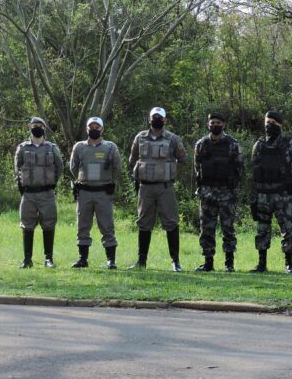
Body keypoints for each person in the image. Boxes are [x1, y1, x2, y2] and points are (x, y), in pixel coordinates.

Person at [128, 107, 187, 271]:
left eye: (160, 117)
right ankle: (141, 261)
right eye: (154, 117)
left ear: (165, 120)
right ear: (149, 119)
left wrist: (172, 175)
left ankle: (175, 262)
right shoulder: (140, 137)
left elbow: (183, 160)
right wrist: (139, 175)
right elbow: (132, 159)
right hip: (145, 188)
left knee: (171, 222)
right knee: (144, 223)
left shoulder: (173, 138)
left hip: (165, 188)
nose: (157, 120)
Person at [250, 110, 292, 273]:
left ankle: (288, 264)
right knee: (262, 230)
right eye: (267, 122)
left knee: (287, 229)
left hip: (282, 194)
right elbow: (253, 170)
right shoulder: (259, 145)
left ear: (280, 125)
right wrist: (254, 196)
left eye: (272, 123)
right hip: (263, 194)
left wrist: (290, 178)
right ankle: (261, 264)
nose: (269, 126)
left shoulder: (288, 143)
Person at [193, 112, 244, 272]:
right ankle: (208, 262)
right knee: (206, 228)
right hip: (207, 193)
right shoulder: (201, 144)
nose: (215, 125)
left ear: (224, 124)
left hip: (227, 193)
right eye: (212, 122)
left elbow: (239, 168)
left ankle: (229, 263)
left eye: (218, 122)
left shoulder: (232, 144)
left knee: (228, 228)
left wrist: (233, 187)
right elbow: (196, 168)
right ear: (208, 124)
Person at [69, 116, 122, 269]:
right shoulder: (79, 147)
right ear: (87, 129)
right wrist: (83, 179)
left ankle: (111, 260)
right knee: (82, 226)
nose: (94, 129)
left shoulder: (110, 147)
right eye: (91, 127)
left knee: (107, 225)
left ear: (102, 129)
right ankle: (82, 259)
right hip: (84, 191)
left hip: (103, 192)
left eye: (97, 127)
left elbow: (117, 168)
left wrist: (111, 182)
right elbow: (73, 167)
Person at [14, 117, 63, 269]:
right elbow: (17, 169)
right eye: (34, 126)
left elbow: (59, 168)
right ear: (30, 128)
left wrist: (52, 183)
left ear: (44, 129)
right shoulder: (22, 148)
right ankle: (27, 260)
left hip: (47, 193)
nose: (37, 128)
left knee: (48, 224)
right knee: (27, 225)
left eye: (40, 126)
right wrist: (21, 186)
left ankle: (49, 259)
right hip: (28, 194)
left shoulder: (51, 148)